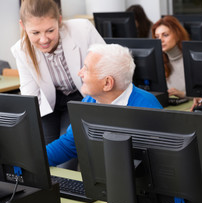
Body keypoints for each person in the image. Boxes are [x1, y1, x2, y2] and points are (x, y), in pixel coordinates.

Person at [46, 43, 163, 167]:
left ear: (107, 83)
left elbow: (160, 162)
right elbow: (68, 145)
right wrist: (30, 163)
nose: (80, 73)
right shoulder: (89, 102)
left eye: (86, 69)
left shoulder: (147, 107)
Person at [11, 0, 105, 147]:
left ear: (59, 21)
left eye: (50, 30)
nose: (44, 39)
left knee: (66, 157)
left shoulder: (82, 29)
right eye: (35, 32)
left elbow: (106, 67)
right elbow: (31, 95)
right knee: (45, 153)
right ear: (23, 26)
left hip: (80, 97)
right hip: (48, 103)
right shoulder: (20, 50)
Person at [152, 16, 190, 98]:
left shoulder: (191, 59)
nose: (160, 40)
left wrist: (184, 95)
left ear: (177, 35)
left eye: (165, 35)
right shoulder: (160, 62)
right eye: (157, 37)